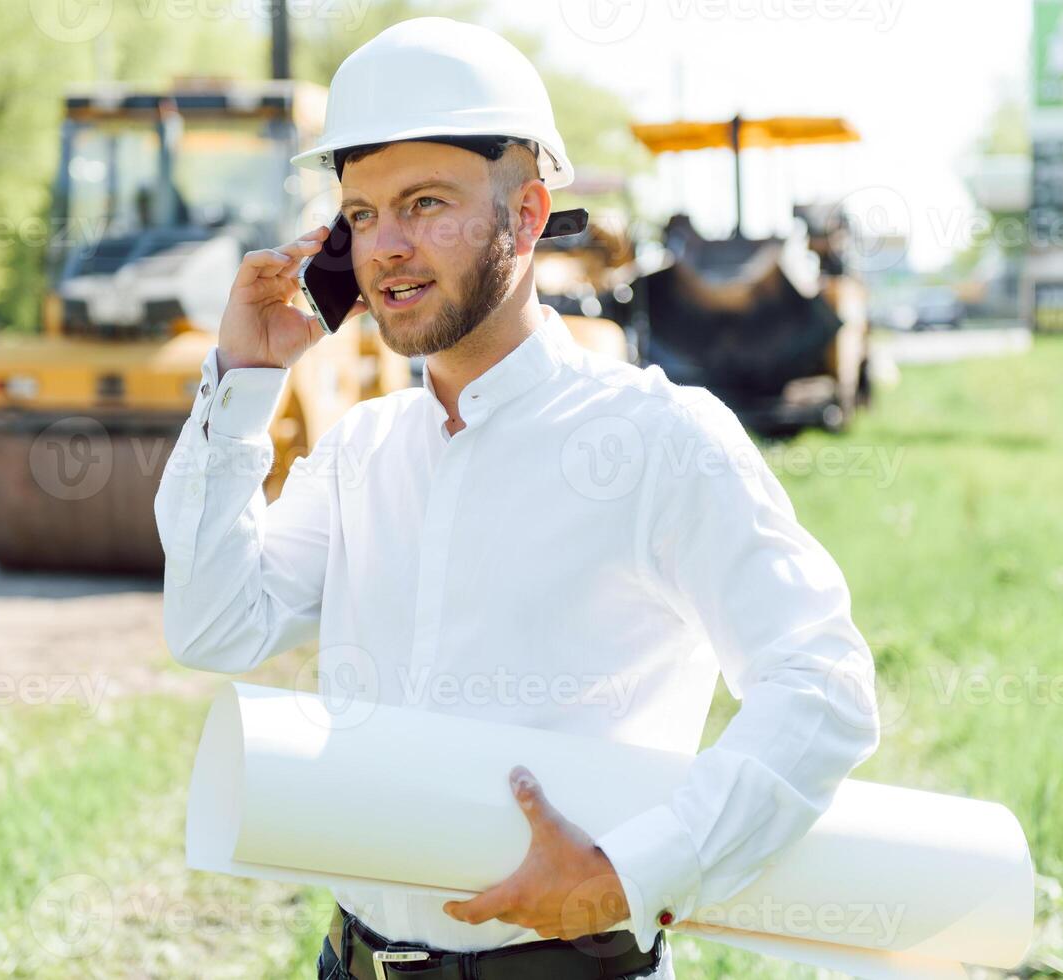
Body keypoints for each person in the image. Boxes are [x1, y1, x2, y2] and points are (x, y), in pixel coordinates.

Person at [154, 17, 880, 980]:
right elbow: (213, 627)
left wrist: (635, 875)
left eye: (425, 203)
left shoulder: (661, 441)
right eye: (362, 214)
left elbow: (823, 686)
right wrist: (243, 381)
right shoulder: (363, 450)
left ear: (529, 216)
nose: (387, 248)